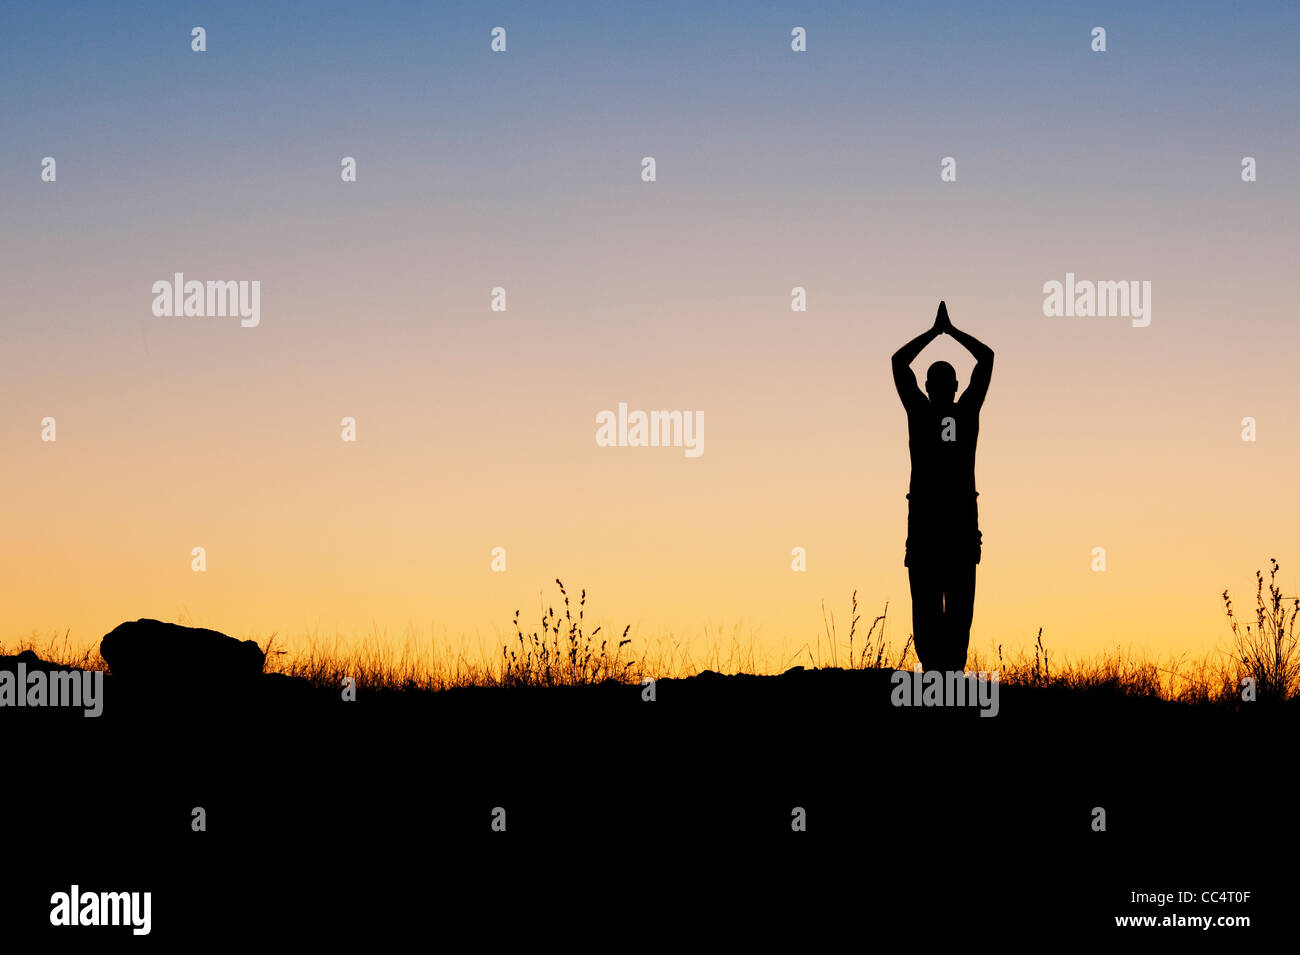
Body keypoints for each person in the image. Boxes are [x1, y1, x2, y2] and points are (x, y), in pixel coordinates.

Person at [891, 301, 994, 672]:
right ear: (953, 387)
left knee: (936, 615)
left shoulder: (921, 413)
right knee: (946, 616)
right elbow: (986, 359)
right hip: (947, 531)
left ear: (933, 387)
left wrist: (936, 333)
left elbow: (899, 363)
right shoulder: (964, 413)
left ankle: (943, 682)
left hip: (936, 531)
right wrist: (948, 332)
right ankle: (945, 681)